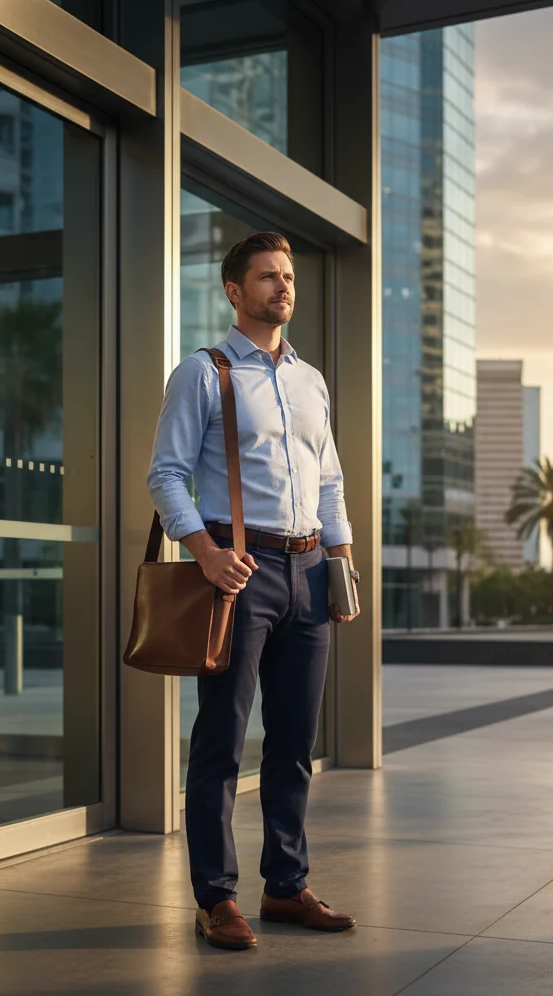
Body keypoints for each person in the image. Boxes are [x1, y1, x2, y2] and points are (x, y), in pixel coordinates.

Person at [147, 231, 360, 951]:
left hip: (309, 571)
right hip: (239, 574)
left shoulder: (310, 381)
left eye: (288, 275)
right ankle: (215, 898)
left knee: (294, 744)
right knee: (221, 741)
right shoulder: (204, 373)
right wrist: (206, 553)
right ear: (235, 291)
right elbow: (165, 474)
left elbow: (329, 479)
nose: (283, 286)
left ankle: (286, 885)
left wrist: (340, 561)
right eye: (267, 276)